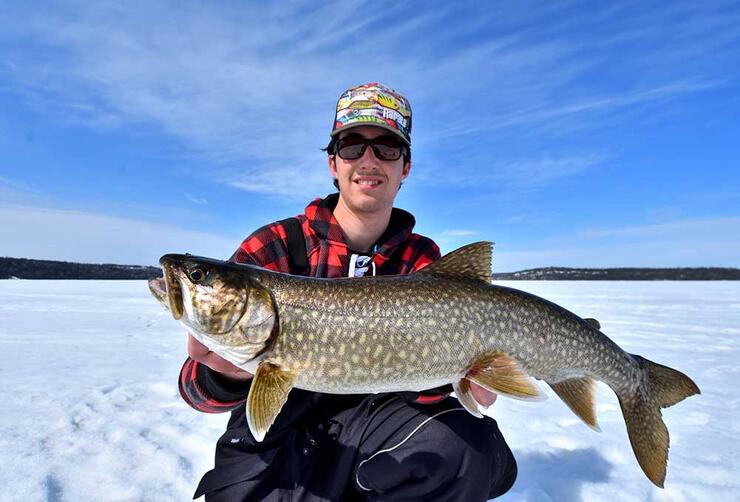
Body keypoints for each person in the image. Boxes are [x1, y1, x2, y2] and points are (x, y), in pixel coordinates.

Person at [179, 82, 517, 501]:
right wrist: (225, 373)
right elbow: (196, 390)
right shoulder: (275, 245)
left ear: (405, 167)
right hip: (280, 443)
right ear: (333, 162)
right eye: (352, 146)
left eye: (387, 148)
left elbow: (423, 389)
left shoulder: (421, 259)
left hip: (379, 431)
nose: (368, 160)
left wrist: (467, 377)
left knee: (466, 446)